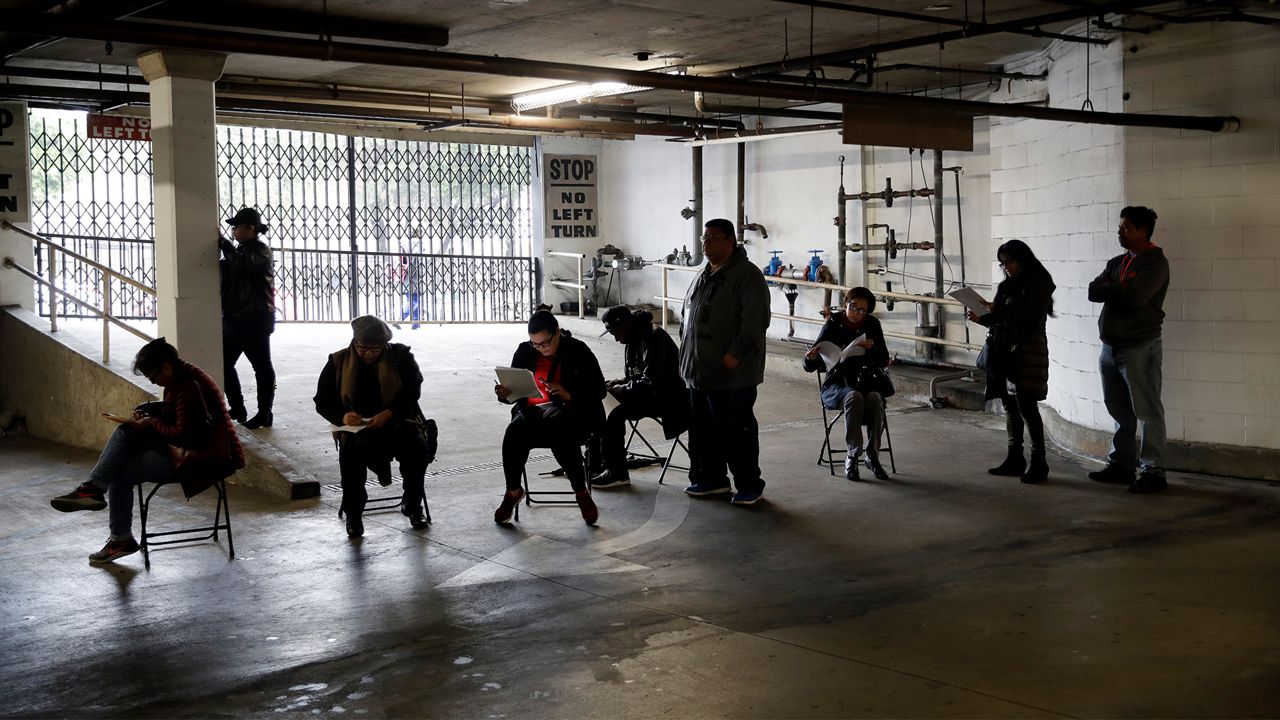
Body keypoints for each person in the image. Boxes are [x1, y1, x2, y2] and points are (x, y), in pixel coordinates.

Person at [49, 338, 245, 563]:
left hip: (202, 460)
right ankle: (96, 497)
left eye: (153, 376)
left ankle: (113, 526)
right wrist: (149, 412)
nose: (154, 382)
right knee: (126, 435)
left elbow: (184, 434)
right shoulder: (180, 379)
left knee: (120, 467)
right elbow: (180, 416)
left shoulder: (188, 386)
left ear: (167, 367)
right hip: (191, 449)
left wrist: (152, 424)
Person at [314, 316, 436, 537]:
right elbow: (321, 401)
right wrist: (342, 416)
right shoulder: (338, 361)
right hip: (356, 426)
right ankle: (354, 512)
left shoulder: (401, 357)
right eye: (363, 348)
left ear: (385, 345)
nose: (368, 353)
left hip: (395, 419)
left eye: (375, 348)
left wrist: (390, 412)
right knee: (350, 454)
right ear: (354, 343)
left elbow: (412, 392)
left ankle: (412, 503)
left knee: (417, 448)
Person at [679, 218, 771, 505]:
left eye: (712, 238)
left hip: (732, 376)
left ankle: (748, 485)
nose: (705, 244)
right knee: (703, 433)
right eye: (703, 239)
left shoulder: (747, 275)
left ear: (730, 240)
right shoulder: (703, 274)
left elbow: (755, 324)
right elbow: (687, 319)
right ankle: (710, 480)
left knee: (736, 431)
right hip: (698, 372)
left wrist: (732, 358)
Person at [493, 308, 605, 525]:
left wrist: (569, 394)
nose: (541, 348)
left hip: (572, 414)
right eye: (535, 344)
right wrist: (505, 394)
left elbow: (599, 390)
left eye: (545, 343)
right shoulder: (525, 352)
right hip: (532, 414)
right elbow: (515, 389)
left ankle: (581, 491)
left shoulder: (578, 351)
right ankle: (513, 491)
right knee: (513, 432)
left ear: (558, 332)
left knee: (559, 430)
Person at [1087, 206, 1170, 494]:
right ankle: (1122, 464)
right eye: (1120, 227)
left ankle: (1153, 471)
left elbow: (1136, 299)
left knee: (1147, 411)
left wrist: (1115, 287)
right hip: (1110, 347)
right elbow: (1092, 291)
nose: (1119, 231)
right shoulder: (1117, 262)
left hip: (1139, 347)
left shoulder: (1155, 264)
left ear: (1143, 230)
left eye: (1126, 227)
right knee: (1119, 410)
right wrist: (1119, 284)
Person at [966, 240, 1057, 484]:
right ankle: (1015, 457)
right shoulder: (1007, 286)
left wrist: (995, 310)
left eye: (1009, 262)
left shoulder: (1039, 284)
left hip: (1028, 350)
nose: (1005, 267)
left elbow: (1027, 318)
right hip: (1004, 349)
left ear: (1022, 260)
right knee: (1009, 404)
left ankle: (1039, 462)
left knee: (1027, 404)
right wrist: (982, 317)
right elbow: (1000, 320)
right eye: (1002, 263)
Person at [589, 305, 688, 489]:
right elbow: (635, 377)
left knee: (614, 411)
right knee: (599, 401)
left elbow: (653, 383)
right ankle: (596, 464)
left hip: (668, 398)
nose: (617, 339)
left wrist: (621, 389)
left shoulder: (654, 337)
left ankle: (617, 472)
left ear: (626, 325)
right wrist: (615, 383)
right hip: (647, 393)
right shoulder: (633, 338)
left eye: (616, 333)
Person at [803, 287, 892, 481]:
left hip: (866, 380)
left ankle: (872, 455)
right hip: (838, 383)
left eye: (862, 311)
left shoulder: (872, 324)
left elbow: (884, 360)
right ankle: (853, 455)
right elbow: (815, 363)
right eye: (853, 307)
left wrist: (872, 349)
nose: (856, 313)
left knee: (876, 399)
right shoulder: (833, 323)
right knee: (854, 397)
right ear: (846, 303)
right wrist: (810, 358)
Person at [219, 207, 276, 429]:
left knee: (262, 367)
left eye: (237, 227)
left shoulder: (260, 250)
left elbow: (243, 267)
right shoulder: (241, 250)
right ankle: (238, 407)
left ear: (250, 228)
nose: (233, 231)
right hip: (234, 319)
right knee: (224, 363)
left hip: (255, 319)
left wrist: (225, 245)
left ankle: (264, 413)